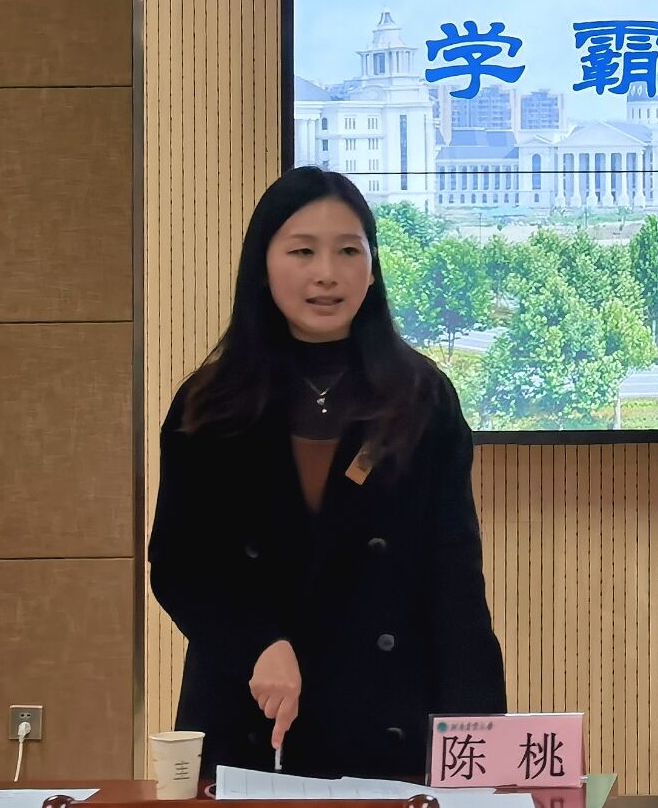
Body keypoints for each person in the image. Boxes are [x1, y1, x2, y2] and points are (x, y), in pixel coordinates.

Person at [150, 167, 505, 780]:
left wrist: (480, 743)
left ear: (372, 266)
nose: (327, 273)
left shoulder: (421, 397)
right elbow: (181, 566)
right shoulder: (210, 403)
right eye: (302, 251)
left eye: (348, 251)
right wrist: (254, 644)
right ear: (262, 265)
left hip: (387, 724)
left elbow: (454, 584)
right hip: (252, 713)